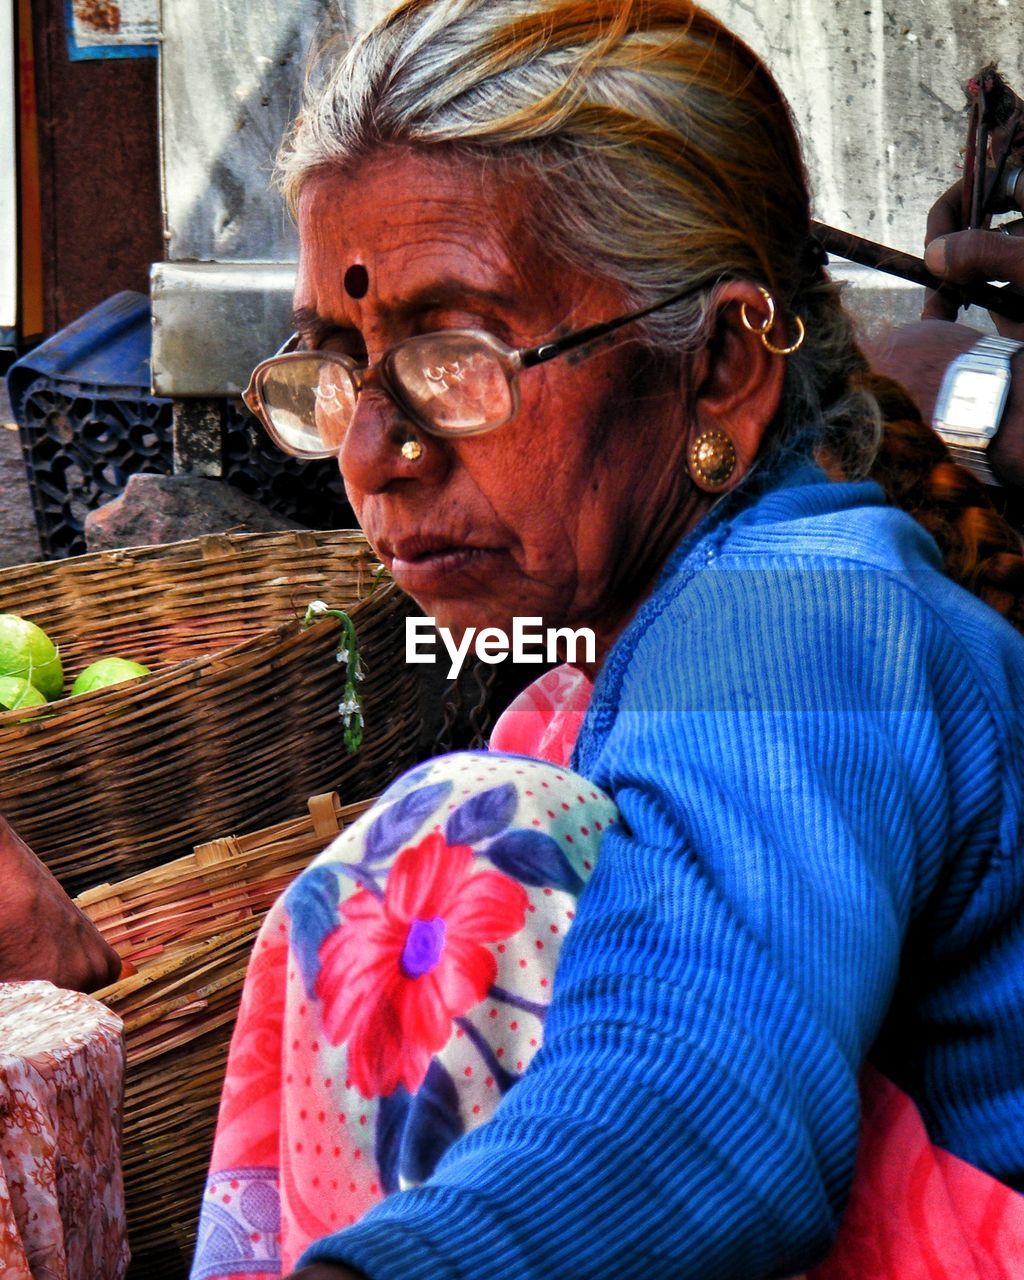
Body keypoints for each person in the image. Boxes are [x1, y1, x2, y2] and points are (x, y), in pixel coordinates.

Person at [190, 3, 1024, 1278]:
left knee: (452, 848)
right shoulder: (699, 612)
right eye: (340, 369)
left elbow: (699, 1080)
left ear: (724, 369)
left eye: (456, 354)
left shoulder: (795, 619)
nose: (373, 455)